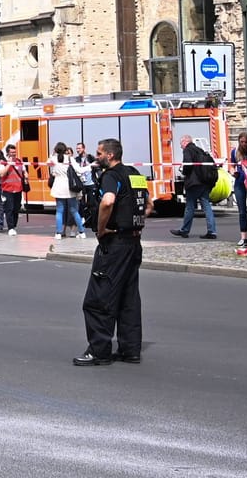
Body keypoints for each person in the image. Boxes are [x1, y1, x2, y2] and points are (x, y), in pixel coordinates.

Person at [77, 138, 144, 366]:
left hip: (114, 244)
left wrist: (102, 228)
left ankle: (99, 351)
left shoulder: (111, 175)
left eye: (99, 153)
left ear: (110, 155)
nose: (97, 157)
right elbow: (149, 204)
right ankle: (130, 349)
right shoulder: (134, 173)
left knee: (99, 298)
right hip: (134, 243)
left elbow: (107, 201)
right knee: (128, 298)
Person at [169, 135, 218, 239]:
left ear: (185, 142)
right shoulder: (200, 150)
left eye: (181, 144)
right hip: (205, 182)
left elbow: (188, 164)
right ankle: (212, 231)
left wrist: (183, 171)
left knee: (189, 207)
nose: (181, 146)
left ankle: (184, 230)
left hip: (194, 183)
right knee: (207, 206)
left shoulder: (188, 150)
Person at [228, 133, 247, 248]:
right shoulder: (235, 152)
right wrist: (232, 172)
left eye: (245, 142)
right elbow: (231, 165)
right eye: (242, 142)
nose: (244, 144)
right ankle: (243, 237)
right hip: (239, 183)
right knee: (242, 211)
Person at [50, 142, 82, 239]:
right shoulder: (70, 158)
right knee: (74, 211)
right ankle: (82, 231)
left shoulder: (53, 159)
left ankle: (58, 233)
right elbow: (79, 170)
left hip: (58, 188)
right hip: (69, 187)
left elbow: (50, 167)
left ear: (56, 149)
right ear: (65, 150)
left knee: (59, 211)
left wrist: (53, 153)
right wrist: (90, 166)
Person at [0, 145, 28, 235]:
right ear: (7, 153)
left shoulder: (19, 161)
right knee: (9, 209)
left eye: (14, 152)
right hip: (7, 189)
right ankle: (10, 227)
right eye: (11, 152)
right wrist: (9, 163)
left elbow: (24, 171)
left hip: (18, 189)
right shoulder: (3, 162)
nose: (13, 154)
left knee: (16, 209)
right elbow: (2, 174)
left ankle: (14, 226)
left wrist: (26, 175)